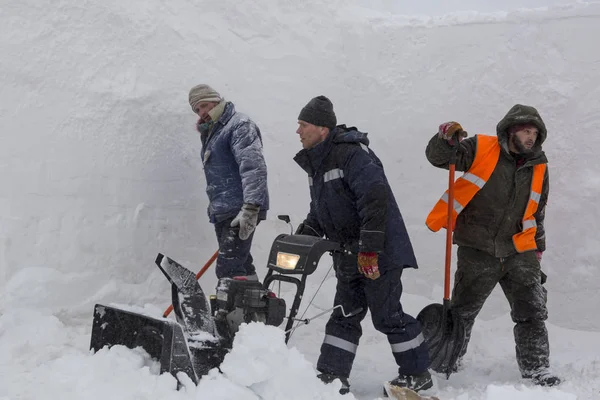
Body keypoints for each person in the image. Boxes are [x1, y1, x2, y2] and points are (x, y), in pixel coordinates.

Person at [293, 96, 431, 395]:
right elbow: (321, 211)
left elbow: (374, 199)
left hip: (378, 252)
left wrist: (369, 249)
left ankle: (418, 374)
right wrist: (304, 235)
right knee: (344, 313)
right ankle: (331, 376)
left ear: (322, 129)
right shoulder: (319, 164)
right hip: (349, 254)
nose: (298, 131)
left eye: (303, 125)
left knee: (387, 316)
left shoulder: (352, 155)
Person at [425, 104, 560, 386]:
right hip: (479, 247)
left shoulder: (539, 166)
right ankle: (446, 362)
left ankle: (537, 369)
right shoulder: (482, 147)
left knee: (532, 312)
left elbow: (538, 210)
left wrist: (539, 248)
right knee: (462, 311)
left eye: (535, 132)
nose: (531, 137)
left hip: (519, 250)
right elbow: (441, 158)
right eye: (526, 130)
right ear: (511, 129)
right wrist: (445, 139)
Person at [188, 84, 269, 280]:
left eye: (205, 105)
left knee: (228, 269)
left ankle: (230, 311)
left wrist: (250, 208)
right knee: (241, 265)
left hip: (241, 208)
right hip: (223, 211)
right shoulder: (213, 133)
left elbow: (254, 167)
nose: (202, 112)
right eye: (197, 109)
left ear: (216, 101)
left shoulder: (239, 125)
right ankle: (256, 307)